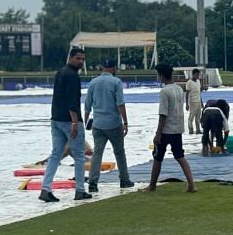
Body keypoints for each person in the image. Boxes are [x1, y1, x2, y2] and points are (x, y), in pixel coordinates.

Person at [39, 48, 91, 202]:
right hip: (70, 120)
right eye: (78, 59)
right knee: (80, 156)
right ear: (71, 58)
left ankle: (45, 189)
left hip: (56, 119)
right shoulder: (73, 76)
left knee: (55, 155)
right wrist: (75, 122)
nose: (81, 62)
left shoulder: (60, 72)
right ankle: (80, 190)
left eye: (83, 59)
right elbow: (72, 101)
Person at [141, 63, 197, 193]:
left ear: (161, 75)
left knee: (157, 157)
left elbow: (163, 114)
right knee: (180, 156)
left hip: (166, 130)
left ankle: (152, 186)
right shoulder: (178, 89)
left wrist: (158, 134)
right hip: (177, 128)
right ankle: (191, 184)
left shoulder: (164, 91)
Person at [84, 59, 134, 193]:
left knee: (97, 154)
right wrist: (125, 122)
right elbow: (120, 104)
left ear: (102, 68)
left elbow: (87, 105)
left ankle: (93, 183)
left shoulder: (93, 82)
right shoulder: (116, 82)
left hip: (98, 124)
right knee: (119, 152)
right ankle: (124, 180)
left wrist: (85, 122)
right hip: (113, 124)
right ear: (113, 68)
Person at [185, 68, 203, 134]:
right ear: (193, 74)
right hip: (192, 102)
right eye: (197, 75)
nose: (198, 76)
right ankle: (191, 129)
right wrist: (187, 104)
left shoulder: (198, 81)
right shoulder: (189, 82)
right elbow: (187, 94)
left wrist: (201, 102)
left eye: (198, 75)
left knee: (198, 117)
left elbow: (199, 93)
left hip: (198, 101)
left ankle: (198, 130)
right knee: (191, 116)